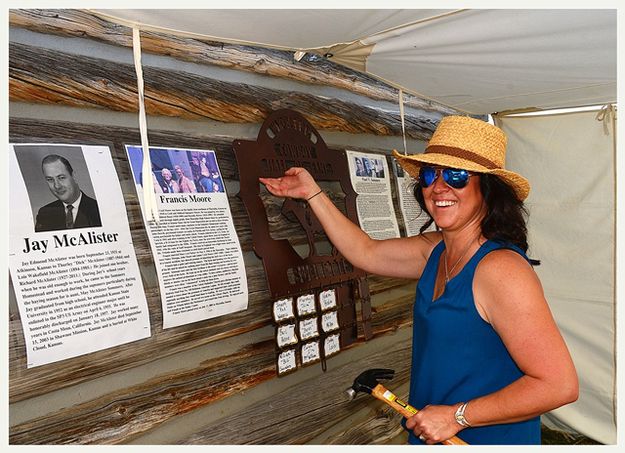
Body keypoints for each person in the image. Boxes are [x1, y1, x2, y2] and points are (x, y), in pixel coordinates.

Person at [260, 115, 578, 445]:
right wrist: (313, 194)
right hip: (434, 436)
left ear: (487, 188)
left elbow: (559, 384)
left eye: (456, 175)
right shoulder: (436, 250)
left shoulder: (501, 270)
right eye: (430, 175)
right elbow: (365, 251)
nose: (438, 187)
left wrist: (457, 416)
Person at [35, 154, 102, 232]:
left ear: (73, 176)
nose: (57, 186)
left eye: (61, 178)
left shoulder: (99, 209)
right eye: (50, 179)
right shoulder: (45, 213)